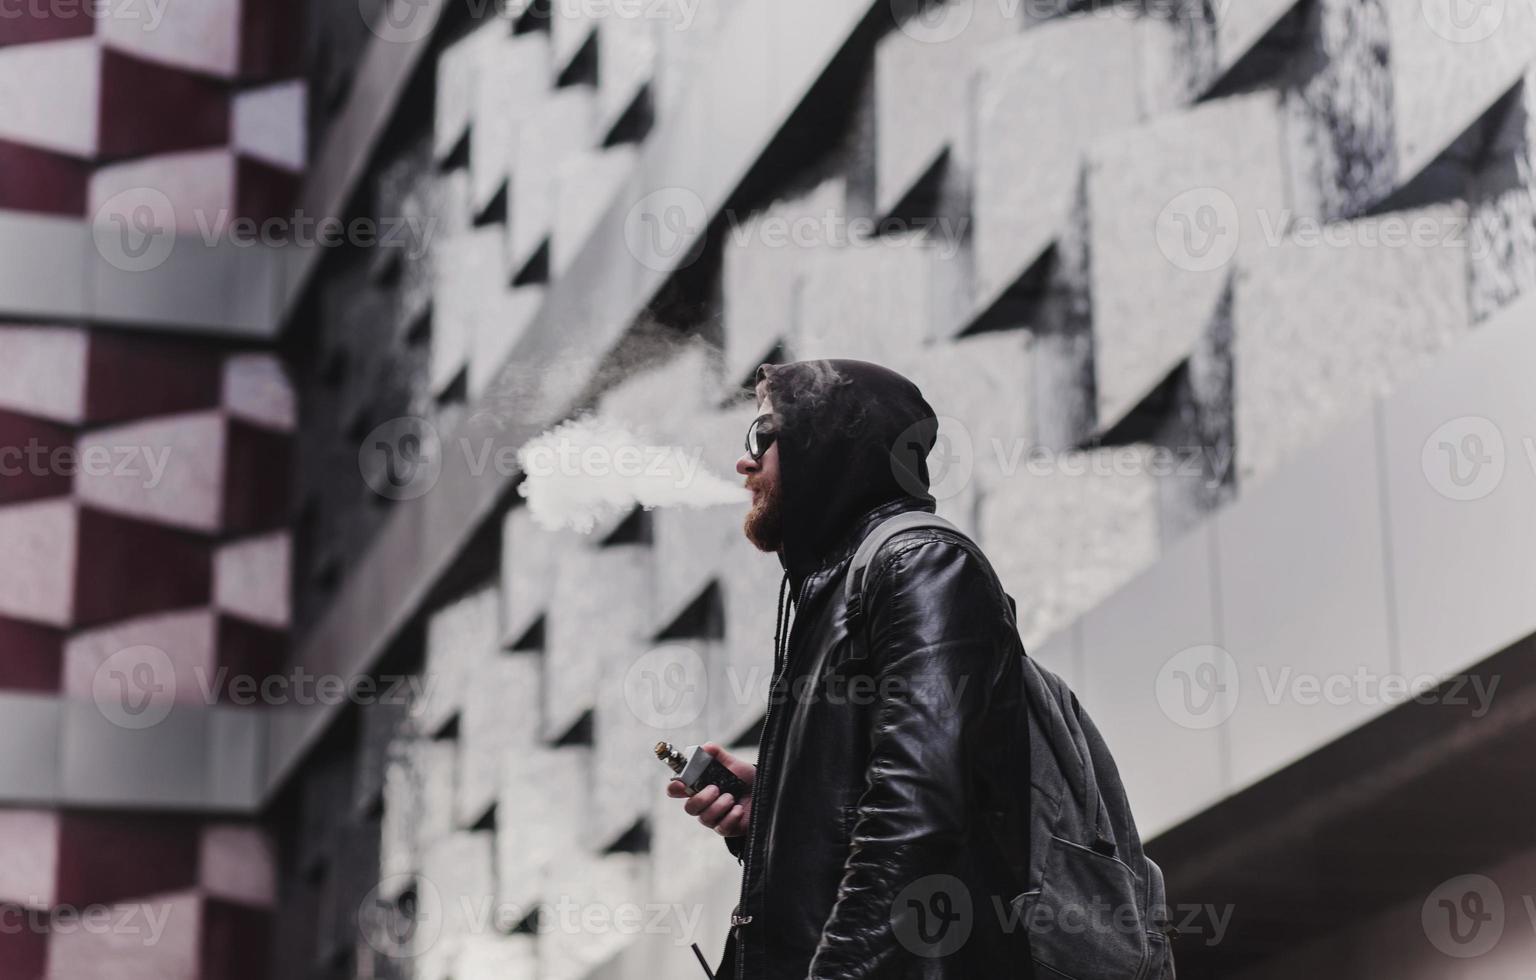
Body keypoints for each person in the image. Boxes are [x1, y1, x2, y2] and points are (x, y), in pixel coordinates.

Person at [667, 359, 1033, 979]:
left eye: (762, 436)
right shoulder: (838, 588)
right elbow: (878, 810)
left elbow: (918, 810)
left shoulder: (919, 561)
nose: (744, 463)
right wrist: (776, 815)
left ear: (826, 442)